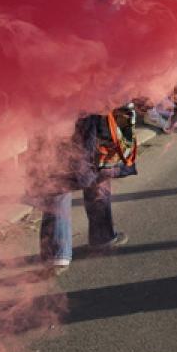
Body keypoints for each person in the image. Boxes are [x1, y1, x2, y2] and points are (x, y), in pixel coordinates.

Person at [38, 112, 131, 270]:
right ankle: (102, 236)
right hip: (89, 106)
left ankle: (56, 252)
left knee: (57, 173)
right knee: (97, 167)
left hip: (49, 109)